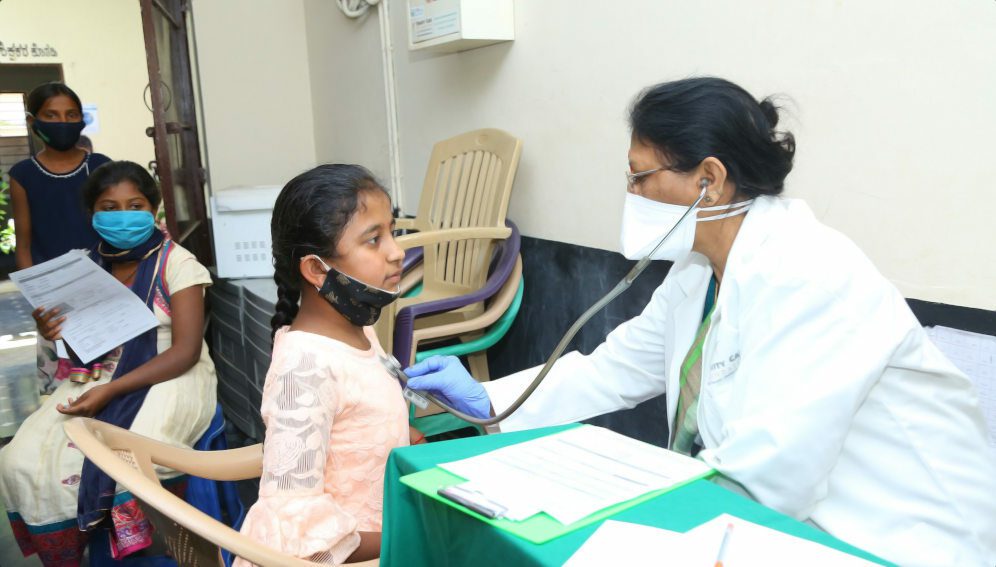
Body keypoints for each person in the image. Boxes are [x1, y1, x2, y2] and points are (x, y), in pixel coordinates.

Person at [403, 77, 996, 566]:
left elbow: (770, 472)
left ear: (707, 181)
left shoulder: (811, 276)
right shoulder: (696, 272)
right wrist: (486, 400)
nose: (630, 193)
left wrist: (619, 501)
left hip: (897, 539)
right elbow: (614, 369)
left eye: (640, 177)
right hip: (787, 519)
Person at [0, 161, 218, 566]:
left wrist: (112, 391)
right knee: (21, 457)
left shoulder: (178, 264)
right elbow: (78, 338)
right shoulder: (83, 267)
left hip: (169, 372)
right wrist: (51, 330)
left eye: (134, 204)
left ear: (154, 209)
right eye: (109, 207)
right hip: (100, 371)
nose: (123, 216)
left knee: (130, 455)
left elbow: (185, 351)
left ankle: (151, 548)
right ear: (92, 215)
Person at [235, 164, 421, 566]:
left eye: (393, 231)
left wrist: (403, 437)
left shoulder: (356, 330)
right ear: (317, 268)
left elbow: (350, 424)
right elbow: (298, 529)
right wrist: (413, 533)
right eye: (373, 240)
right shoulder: (305, 366)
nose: (396, 251)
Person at [8, 82, 112, 394]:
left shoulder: (100, 165)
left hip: (102, 287)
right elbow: (24, 243)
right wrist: (38, 299)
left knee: (107, 375)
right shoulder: (22, 174)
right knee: (65, 383)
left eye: (71, 115)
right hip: (53, 298)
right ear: (32, 122)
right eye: (51, 115)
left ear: (82, 119)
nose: (62, 122)